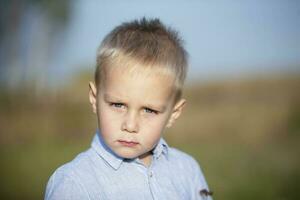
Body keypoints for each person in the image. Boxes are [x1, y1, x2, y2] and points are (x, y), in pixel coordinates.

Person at [44, 17, 212, 200]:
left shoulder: (187, 171)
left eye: (149, 110)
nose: (130, 125)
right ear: (94, 98)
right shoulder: (75, 184)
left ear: (173, 113)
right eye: (118, 105)